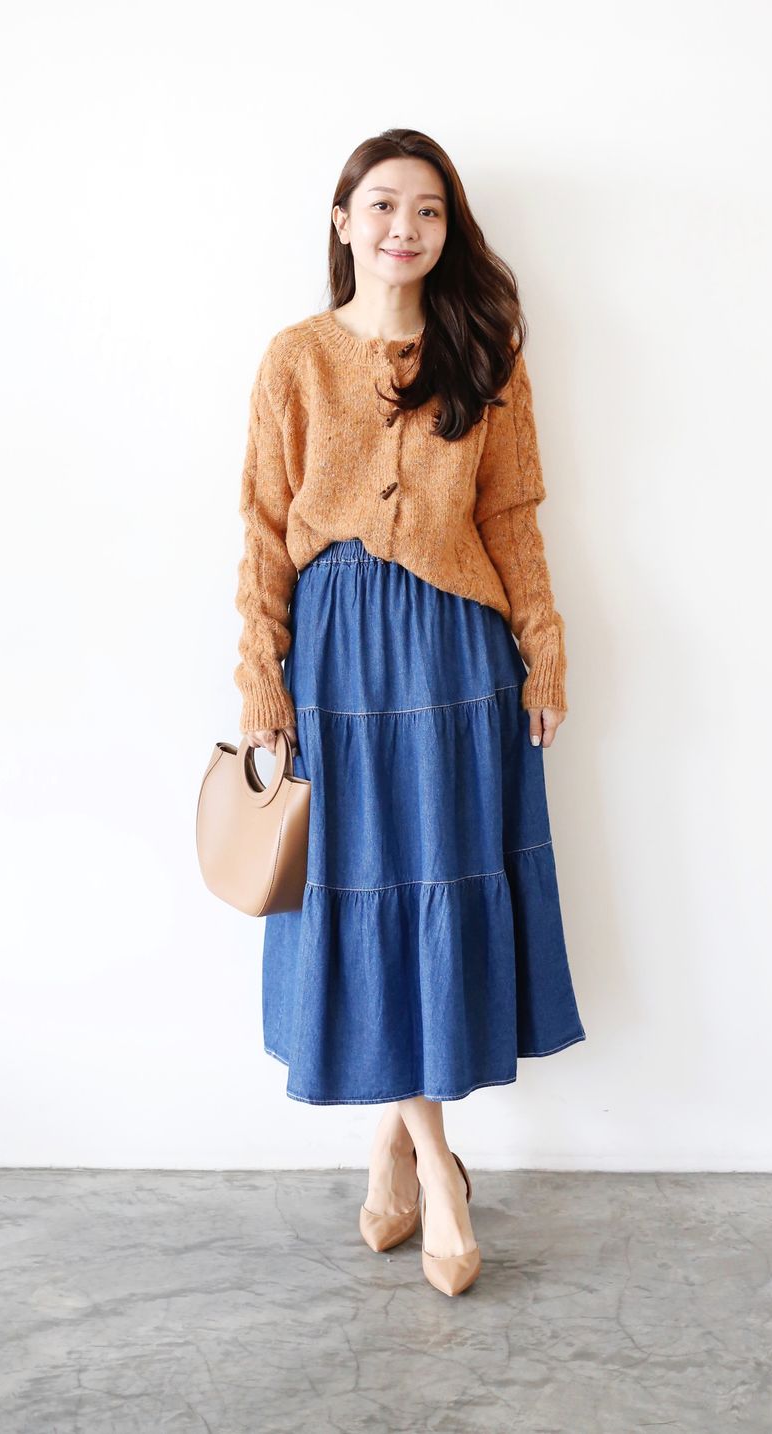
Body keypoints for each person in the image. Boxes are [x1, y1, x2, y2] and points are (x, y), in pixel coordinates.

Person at [232, 128, 586, 1297]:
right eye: (381, 204)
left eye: (427, 209)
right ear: (342, 222)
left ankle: (395, 1150)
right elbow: (263, 527)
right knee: (366, 888)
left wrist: (542, 653)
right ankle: (439, 1168)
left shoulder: (484, 352)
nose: (404, 226)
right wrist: (262, 678)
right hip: (338, 660)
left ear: (447, 229)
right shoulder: (295, 358)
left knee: (434, 880)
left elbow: (511, 517)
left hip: (455, 659)